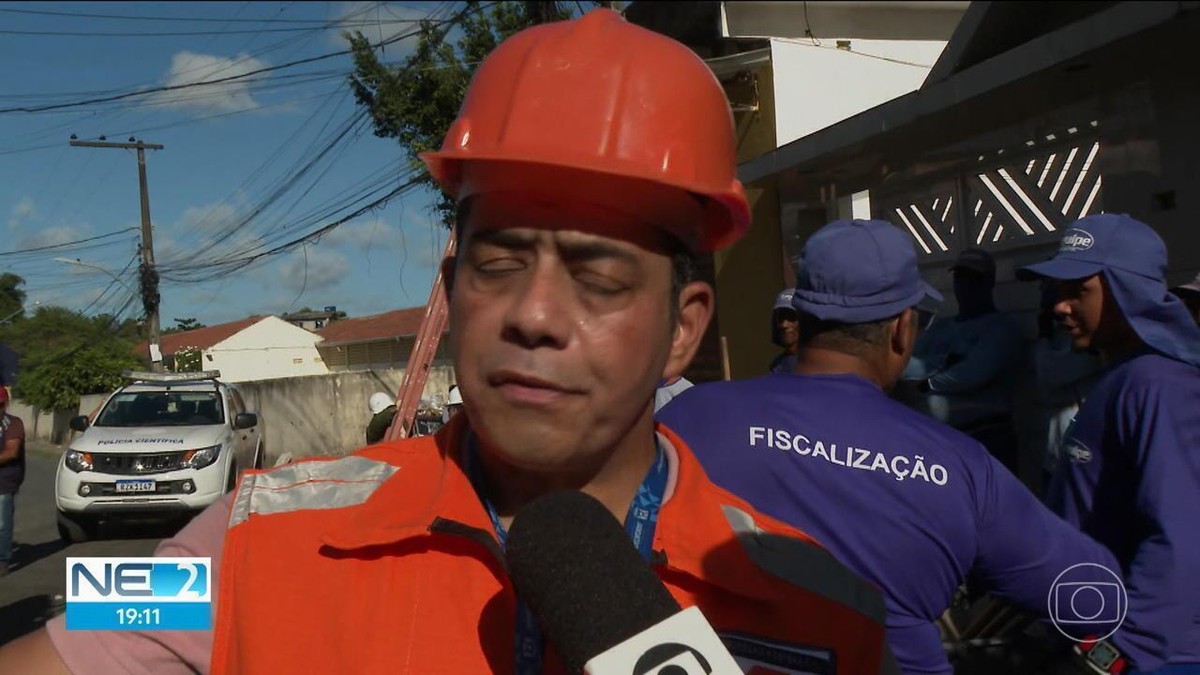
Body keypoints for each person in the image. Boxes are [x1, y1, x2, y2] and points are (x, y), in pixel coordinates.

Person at [0, 11, 893, 674]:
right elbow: (71, 630)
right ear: (451, 288)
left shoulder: (821, 604)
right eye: (498, 263)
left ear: (684, 327)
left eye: (599, 279)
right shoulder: (246, 536)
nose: (533, 314)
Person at [658, 219, 1122, 675]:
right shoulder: (961, 468)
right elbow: (1093, 599)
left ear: (800, 319)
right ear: (902, 329)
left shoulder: (686, 417)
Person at [1017, 213, 1200, 673]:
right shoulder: (1121, 376)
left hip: (1158, 658)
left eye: (1078, 290)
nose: (1059, 306)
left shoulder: (1157, 385)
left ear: (1126, 291)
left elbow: (1185, 535)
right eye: (1058, 291)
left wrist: (1117, 654)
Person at [897, 248, 1025, 472]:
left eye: (974, 279)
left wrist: (926, 382)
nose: (965, 285)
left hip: (987, 437)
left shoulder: (1002, 328)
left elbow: (972, 374)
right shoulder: (941, 328)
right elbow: (905, 364)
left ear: (989, 282)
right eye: (959, 277)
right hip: (940, 440)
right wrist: (945, 362)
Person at [1031, 282, 1104, 492]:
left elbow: (1051, 374)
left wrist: (1043, 337)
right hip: (1054, 456)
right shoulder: (1058, 335)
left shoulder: (1088, 338)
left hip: (1084, 460)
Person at [0, 386, 25, 578]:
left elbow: (11, 452)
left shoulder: (12, 424)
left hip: (5, 480)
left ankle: (3, 560)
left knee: (2, 523)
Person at [769, 288, 800, 373]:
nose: (784, 324)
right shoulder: (777, 366)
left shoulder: (817, 361)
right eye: (781, 318)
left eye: (791, 317)